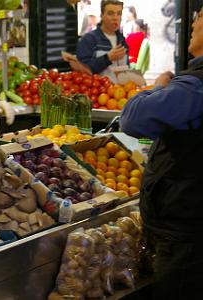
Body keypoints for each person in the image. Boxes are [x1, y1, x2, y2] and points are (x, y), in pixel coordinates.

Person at [119, 7, 203, 299]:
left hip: (188, 236)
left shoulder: (195, 88)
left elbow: (133, 118)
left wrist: (155, 89)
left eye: (200, 16)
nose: (193, 23)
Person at [76, 0, 129, 82]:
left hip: (121, 92)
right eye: (110, 13)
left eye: (119, 13)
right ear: (102, 15)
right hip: (99, 92)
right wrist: (107, 58)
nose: (115, 18)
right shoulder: (89, 39)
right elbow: (82, 71)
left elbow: (126, 68)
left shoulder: (122, 40)